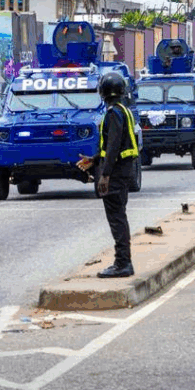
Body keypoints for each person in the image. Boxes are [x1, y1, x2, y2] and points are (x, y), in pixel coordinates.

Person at [77, 72, 140, 278]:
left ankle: (123, 263)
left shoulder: (113, 113)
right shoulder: (124, 110)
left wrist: (104, 175)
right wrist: (94, 160)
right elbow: (114, 146)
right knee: (119, 216)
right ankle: (123, 261)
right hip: (123, 171)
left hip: (116, 174)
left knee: (117, 219)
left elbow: (113, 147)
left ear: (103, 92)